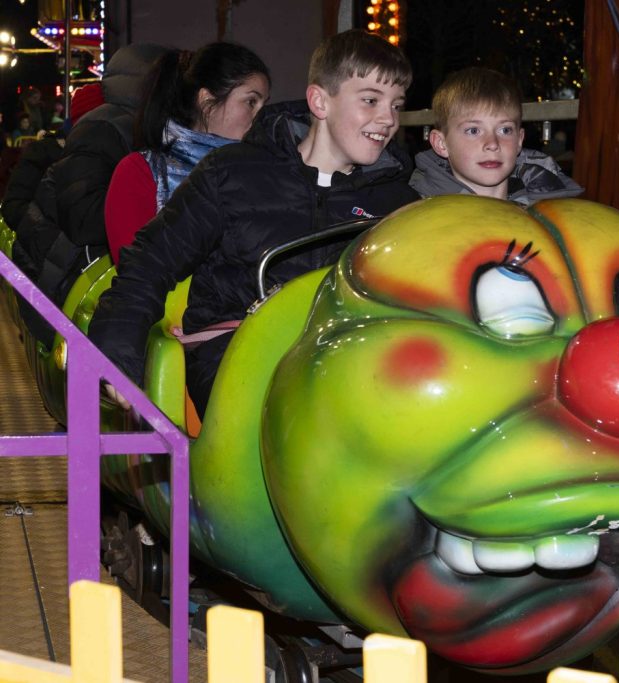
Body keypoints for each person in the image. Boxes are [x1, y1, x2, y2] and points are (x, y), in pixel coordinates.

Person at [88, 30, 419, 418]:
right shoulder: (233, 174)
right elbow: (151, 260)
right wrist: (118, 351)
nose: (388, 119)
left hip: (349, 362)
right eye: (370, 100)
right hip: (237, 353)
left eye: (396, 105)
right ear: (319, 101)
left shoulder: (397, 203)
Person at [10, 43, 168, 346]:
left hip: (62, 271)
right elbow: (78, 219)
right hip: (65, 278)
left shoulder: (131, 136)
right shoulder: (97, 137)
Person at [105, 43, 271, 265]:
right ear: (206, 101)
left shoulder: (265, 169)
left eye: (263, 104)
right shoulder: (140, 172)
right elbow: (134, 272)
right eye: (251, 101)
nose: (261, 116)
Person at [409, 66, 582, 205]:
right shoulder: (418, 214)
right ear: (441, 143)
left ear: (519, 140)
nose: (492, 144)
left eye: (505, 130)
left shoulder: (552, 210)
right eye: (473, 131)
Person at [1, 84, 104, 234]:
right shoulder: (44, 152)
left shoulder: (112, 154)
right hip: (45, 250)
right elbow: (15, 205)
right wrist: (51, 238)